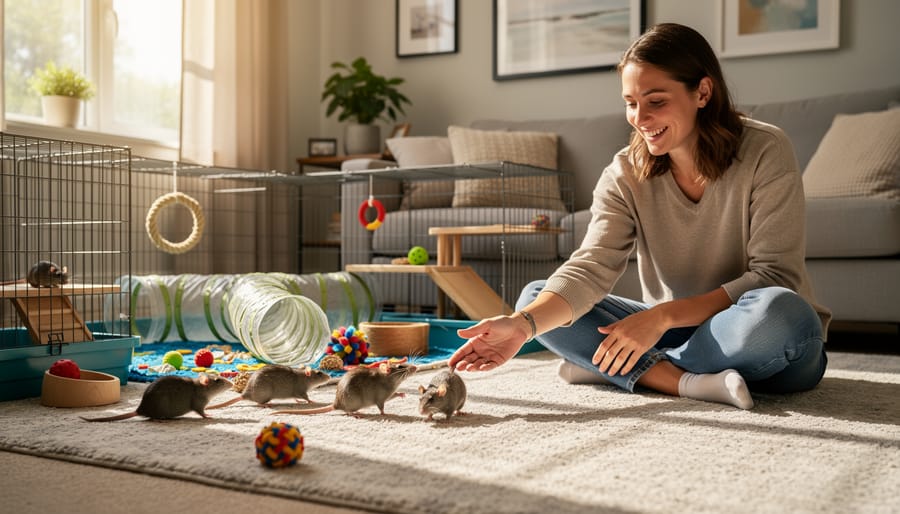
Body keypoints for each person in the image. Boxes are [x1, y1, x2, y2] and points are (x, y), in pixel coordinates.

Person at [448, 23, 830, 410]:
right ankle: (685, 381)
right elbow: (591, 265)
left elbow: (773, 275)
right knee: (536, 298)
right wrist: (522, 326)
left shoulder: (766, 149)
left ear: (702, 92)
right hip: (666, 327)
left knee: (781, 313)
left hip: (745, 330)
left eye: (656, 101)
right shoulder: (624, 172)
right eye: (631, 102)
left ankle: (615, 367)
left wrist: (662, 318)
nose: (640, 117)